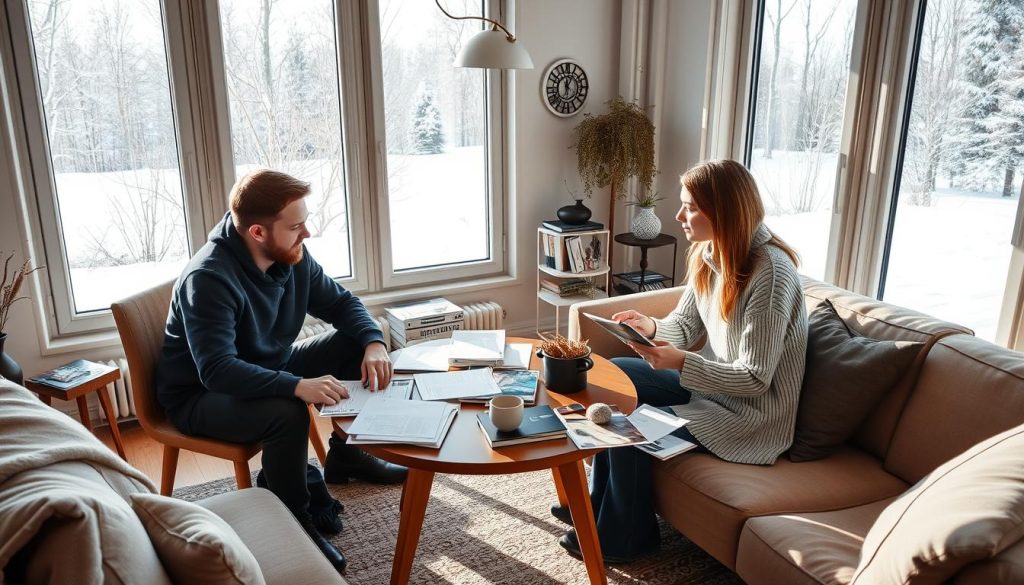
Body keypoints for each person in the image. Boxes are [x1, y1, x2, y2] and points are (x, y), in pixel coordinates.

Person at [553, 159, 808, 563]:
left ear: (723, 211)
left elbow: (756, 379)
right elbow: (685, 326)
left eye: (690, 206)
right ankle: (595, 503)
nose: (678, 215)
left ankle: (625, 538)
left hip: (749, 416)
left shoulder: (771, 274)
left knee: (628, 430)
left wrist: (681, 363)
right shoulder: (710, 253)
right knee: (614, 378)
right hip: (712, 389)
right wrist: (649, 328)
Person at [156, 169, 407, 573]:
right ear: (257, 232)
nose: (306, 233)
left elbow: (342, 304)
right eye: (296, 226)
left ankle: (348, 457)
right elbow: (217, 370)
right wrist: (296, 386)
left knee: (352, 342)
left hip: (266, 364)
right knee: (287, 412)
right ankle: (296, 523)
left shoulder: (291, 255)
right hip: (201, 396)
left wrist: (374, 343)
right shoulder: (208, 279)